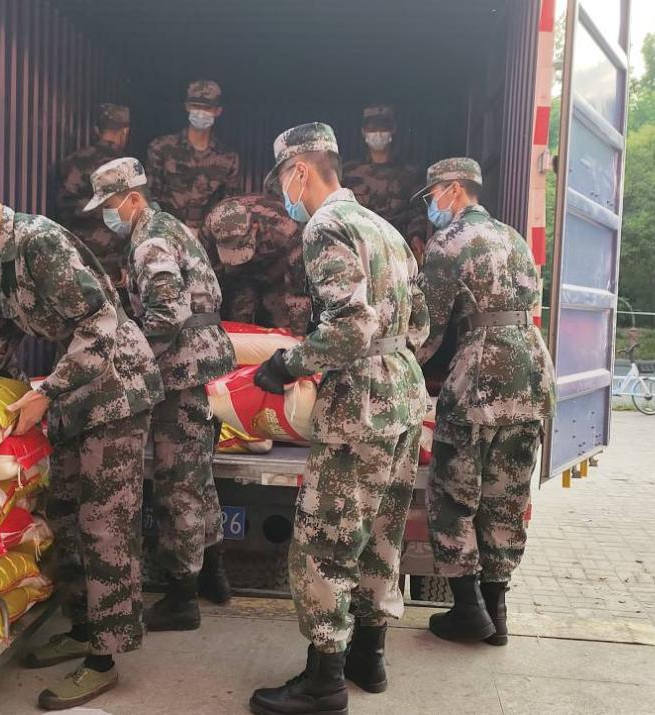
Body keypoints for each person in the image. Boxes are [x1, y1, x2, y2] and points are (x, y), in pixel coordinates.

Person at [0, 158, 164, 710]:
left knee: (104, 525)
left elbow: (100, 325)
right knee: (66, 515)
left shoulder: (40, 243)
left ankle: (104, 658)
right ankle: (82, 627)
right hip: (76, 395)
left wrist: (45, 392)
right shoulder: (2, 264)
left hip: (117, 390)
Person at [249, 123, 429, 715]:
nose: (283, 193)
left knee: (326, 540)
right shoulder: (384, 228)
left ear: (300, 170)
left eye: (282, 179)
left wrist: (289, 363)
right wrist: (390, 358)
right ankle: (368, 658)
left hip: (359, 405)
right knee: (381, 531)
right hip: (402, 396)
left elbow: (349, 327)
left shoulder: (327, 226)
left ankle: (323, 681)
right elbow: (421, 323)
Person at [85, 157, 236, 630]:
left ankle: (181, 596)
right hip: (201, 363)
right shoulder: (169, 226)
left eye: (110, 205)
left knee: (178, 483)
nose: (107, 215)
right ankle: (213, 575)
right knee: (198, 474)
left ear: (132, 198)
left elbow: (167, 313)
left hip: (180, 368)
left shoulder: (150, 240)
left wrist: (128, 362)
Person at [411, 158, 556, 647]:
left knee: (453, 493)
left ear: (453, 190)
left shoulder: (449, 241)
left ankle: (468, 610)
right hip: (532, 375)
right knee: (506, 497)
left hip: (481, 381)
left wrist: (396, 366)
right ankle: (497, 611)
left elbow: (426, 329)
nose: (431, 204)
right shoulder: (514, 238)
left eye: (433, 194)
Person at [202, 194, 312, 336]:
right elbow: (207, 278)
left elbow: (299, 287)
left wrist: (298, 332)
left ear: (254, 228)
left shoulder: (285, 228)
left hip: (278, 266)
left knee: (281, 318)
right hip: (239, 274)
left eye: (240, 247)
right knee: (239, 312)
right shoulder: (211, 227)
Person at [51, 103, 132, 287]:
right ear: (125, 132)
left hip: (78, 256)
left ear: (96, 130)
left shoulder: (73, 162)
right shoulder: (127, 168)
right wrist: (126, 262)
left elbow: (63, 207)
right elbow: (133, 218)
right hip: (113, 263)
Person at [147, 80, 241, 229]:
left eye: (207, 108)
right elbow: (150, 198)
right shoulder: (161, 148)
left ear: (218, 111)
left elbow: (229, 207)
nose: (201, 113)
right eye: (196, 106)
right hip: (167, 232)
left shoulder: (228, 158)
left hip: (208, 236)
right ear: (187, 107)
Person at [343, 105, 428, 255]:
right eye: (372, 128)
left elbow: (418, 210)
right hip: (358, 249)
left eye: (383, 127)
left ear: (393, 129)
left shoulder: (410, 173)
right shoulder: (348, 172)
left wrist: (416, 236)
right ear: (363, 131)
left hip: (397, 249)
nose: (378, 133)